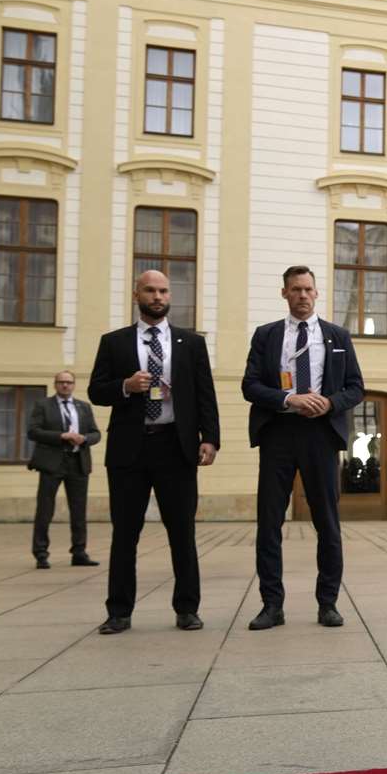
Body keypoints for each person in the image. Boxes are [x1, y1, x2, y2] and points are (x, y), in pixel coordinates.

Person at [87, 269, 220, 634]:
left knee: (182, 532)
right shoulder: (114, 342)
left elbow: (206, 395)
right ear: (137, 295)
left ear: (170, 296)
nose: (157, 296)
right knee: (125, 534)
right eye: (150, 290)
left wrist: (210, 438)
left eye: (163, 290)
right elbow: (96, 390)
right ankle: (119, 612)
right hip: (129, 450)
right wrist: (126, 386)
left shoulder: (190, 343)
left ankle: (187, 608)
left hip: (175, 448)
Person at [241, 266, 366, 630]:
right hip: (278, 433)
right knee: (269, 523)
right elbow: (249, 386)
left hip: (320, 437)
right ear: (284, 293)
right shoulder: (267, 335)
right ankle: (271, 605)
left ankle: (328, 603)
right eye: (295, 289)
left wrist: (329, 403)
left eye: (308, 289)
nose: (303, 295)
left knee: (327, 522)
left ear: (316, 293)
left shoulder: (337, 336)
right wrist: (289, 399)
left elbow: (356, 387)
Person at [26, 370, 101, 568]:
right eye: (61, 382)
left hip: (78, 462)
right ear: (55, 384)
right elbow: (33, 432)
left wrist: (84, 439)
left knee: (78, 510)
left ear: (74, 385)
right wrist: (61, 436)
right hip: (52, 463)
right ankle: (41, 553)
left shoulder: (83, 407)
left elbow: (96, 433)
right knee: (45, 509)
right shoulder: (43, 405)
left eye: (68, 382)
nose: (65, 386)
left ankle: (79, 552)